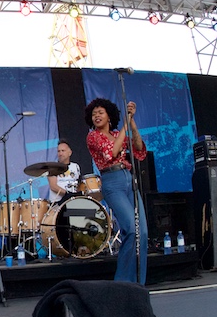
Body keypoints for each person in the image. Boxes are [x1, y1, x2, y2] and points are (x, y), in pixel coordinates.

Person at [85, 97, 149, 284]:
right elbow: (111, 152)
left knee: (142, 232)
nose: (96, 116)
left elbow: (139, 150)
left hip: (129, 180)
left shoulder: (117, 133)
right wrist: (127, 123)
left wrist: (132, 122)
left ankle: (139, 282)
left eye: (100, 112)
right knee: (130, 228)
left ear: (109, 116)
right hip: (112, 182)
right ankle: (122, 283)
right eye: (94, 114)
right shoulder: (93, 136)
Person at [47, 139, 80, 203]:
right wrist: (67, 194)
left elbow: (78, 183)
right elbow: (53, 186)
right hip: (58, 202)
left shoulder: (76, 166)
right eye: (58, 151)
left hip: (73, 201)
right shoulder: (53, 167)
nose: (60, 153)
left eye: (63, 151)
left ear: (69, 153)